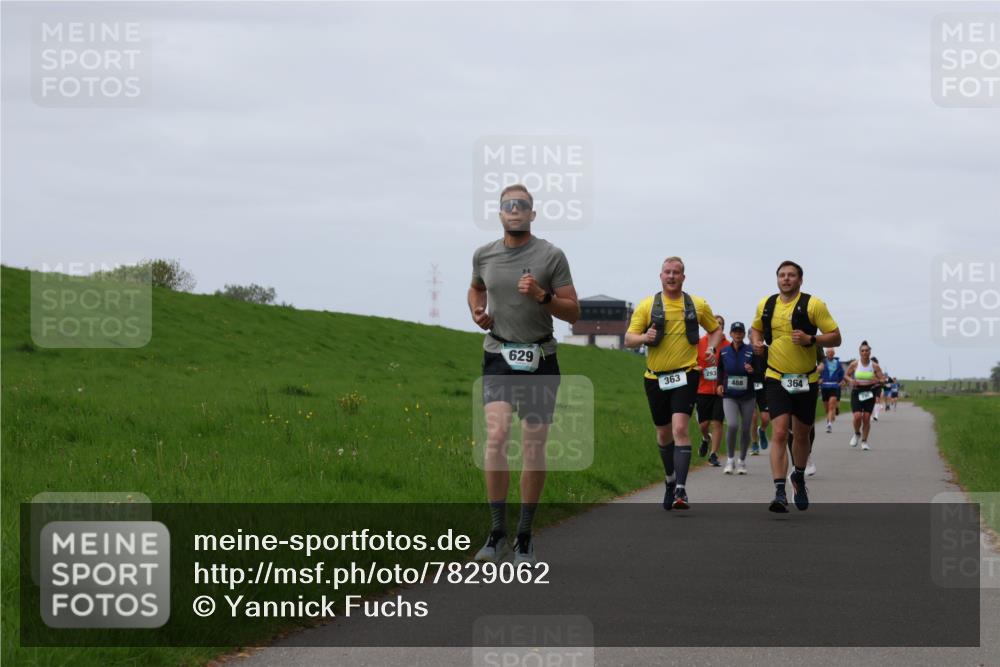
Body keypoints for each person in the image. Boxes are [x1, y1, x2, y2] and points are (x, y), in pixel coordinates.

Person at [469, 184, 580, 565]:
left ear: (532, 214)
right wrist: (477, 311)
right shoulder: (484, 255)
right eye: (508, 205)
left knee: (533, 446)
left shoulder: (551, 256)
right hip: (498, 354)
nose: (514, 210)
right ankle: (497, 533)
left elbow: (573, 311)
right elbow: (475, 289)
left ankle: (525, 536)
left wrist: (542, 296)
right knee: (497, 436)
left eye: (522, 206)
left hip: (539, 357)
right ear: (500, 213)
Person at [625, 256, 722, 510]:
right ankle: (669, 479)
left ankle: (681, 488)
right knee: (664, 433)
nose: (671, 276)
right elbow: (628, 339)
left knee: (680, 428)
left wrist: (711, 348)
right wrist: (644, 337)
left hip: (686, 374)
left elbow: (715, 330)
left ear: (683, 277)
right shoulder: (647, 305)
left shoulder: (697, 304)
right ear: (660, 276)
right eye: (667, 272)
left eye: (676, 272)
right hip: (655, 377)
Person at [750, 261, 841, 513]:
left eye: (791, 275)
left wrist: (811, 338)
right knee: (780, 432)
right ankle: (779, 491)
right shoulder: (766, 304)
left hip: (805, 380)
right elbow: (756, 329)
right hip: (775, 377)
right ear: (777, 279)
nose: (786, 279)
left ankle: (798, 476)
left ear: (800, 280)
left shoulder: (813, 304)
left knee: (801, 434)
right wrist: (757, 342)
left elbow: (836, 336)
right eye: (782, 275)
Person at [716, 322, 755, 475]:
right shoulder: (724, 352)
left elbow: (760, 370)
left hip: (748, 396)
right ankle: (730, 459)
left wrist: (752, 370)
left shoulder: (751, 351)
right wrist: (719, 384)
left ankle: (742, 461)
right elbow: (720, 369)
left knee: (745, 428)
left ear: (744, 334)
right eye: (735, 331)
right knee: (732, 425)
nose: (738, 334)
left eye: (740, 332)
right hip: (729, 395)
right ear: (731, 334)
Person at [696, 315, 729, 466]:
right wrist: (697, 368)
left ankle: (713, 454)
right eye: (715, 323)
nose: (718, 325)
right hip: (703, 389)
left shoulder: (728, 345)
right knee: (703, 425)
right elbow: (692, 362)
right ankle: (705, 438)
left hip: (721, 391)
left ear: (723, 327)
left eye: (720, 323)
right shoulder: (699, 343)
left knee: (717, 422)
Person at [844, 341, 886, 451]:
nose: (864, 352)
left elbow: (883, 379)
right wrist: (851, 381)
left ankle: (864, 441)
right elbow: (846, 375)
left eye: (866, 350)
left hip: (869, 392)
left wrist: (877, 380)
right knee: (857, 416)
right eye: (862, 351)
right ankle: (857, 433)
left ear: (870, 352)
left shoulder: (874, 366)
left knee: (866, 418)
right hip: (857, 391)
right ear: (859, 352)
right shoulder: (854, 364)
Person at [749, 344, 771, 455]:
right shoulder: (747, 351)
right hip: (750, 388)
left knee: (765, 418)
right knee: (753, 417)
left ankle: (761, 430)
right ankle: (754, 444)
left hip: (764, 388)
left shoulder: (768, 351)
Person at [818, 348, 845, 433]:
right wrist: (819, 380)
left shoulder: (838, 363)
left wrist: (841, 382)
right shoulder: (823, 363)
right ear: (826, 354)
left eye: (832, 352)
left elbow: (842, 374)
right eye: (828, 352)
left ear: (834, 353)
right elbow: (818, 372)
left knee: (831, 406)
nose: (830, 354)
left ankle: (829, 425)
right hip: (824, 386)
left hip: (834, 386)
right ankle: (829, 419)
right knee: (827, 409)